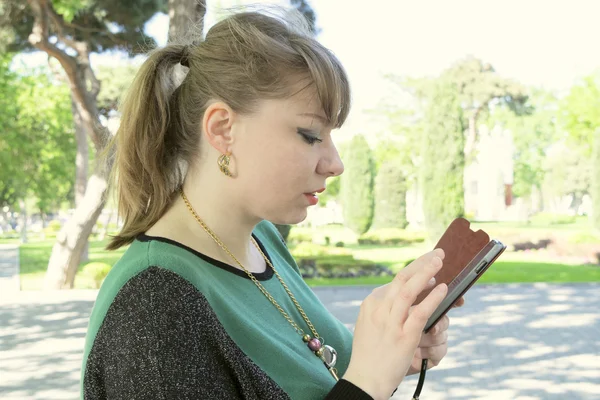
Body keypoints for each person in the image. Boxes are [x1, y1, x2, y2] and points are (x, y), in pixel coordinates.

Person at [80, 7, 456, 400]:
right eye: (311, 135)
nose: (335, 164)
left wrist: (392, 354)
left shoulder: (262, 239)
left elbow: (326, 378)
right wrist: (368, 383)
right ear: (223, 129)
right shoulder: (155, 305)